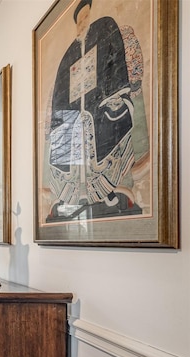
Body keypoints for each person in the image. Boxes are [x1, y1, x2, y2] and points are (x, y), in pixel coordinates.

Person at [46, 0, 142, 222]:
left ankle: (107, 192)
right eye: (80, 22)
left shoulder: (105, 28)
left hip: (100, 106)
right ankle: (73, 197)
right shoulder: (70, 54)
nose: (83, 24)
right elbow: (60, 93)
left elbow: (115, 65)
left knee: (103, 123)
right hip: (73, 115)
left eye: (86, 18)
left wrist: (110, 98)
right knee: (65, 136)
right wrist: (60, 122)